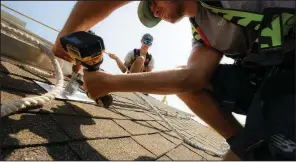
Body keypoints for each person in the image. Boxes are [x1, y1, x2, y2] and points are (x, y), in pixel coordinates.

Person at [52, 1, 295, 160]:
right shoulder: (201, 32)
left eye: (152, 1)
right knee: (188, 83)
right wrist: (106, 81)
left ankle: (259, 148)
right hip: (266, 77)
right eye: (152, 15)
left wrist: (108, 81)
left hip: (288, 75)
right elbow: (192, 79)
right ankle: (248, 147)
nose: (154, 10)